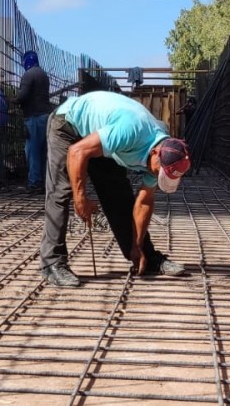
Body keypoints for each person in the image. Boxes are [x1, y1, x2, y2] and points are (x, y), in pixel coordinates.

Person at [41, 90, 191, 287]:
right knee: (61, 192)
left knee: (118, 193)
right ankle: (52, 263)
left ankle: (146, 255)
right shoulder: (129, 131)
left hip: (101, 135)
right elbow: (77, 152)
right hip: (68, 126)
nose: (157, 175)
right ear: (155, 153)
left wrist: (137, 245)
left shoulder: (164, 152)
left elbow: (144, 201)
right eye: (159, 172)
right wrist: (81, 200)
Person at [14, 50, 51, 193]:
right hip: (46, 116)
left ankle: (35, 183)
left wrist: (14, 100)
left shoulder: (29, 74)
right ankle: (43, 182)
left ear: (27, 61)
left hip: (34, 117)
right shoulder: (43, 74)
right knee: (43, 151)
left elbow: (22, 96)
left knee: (32, 151)